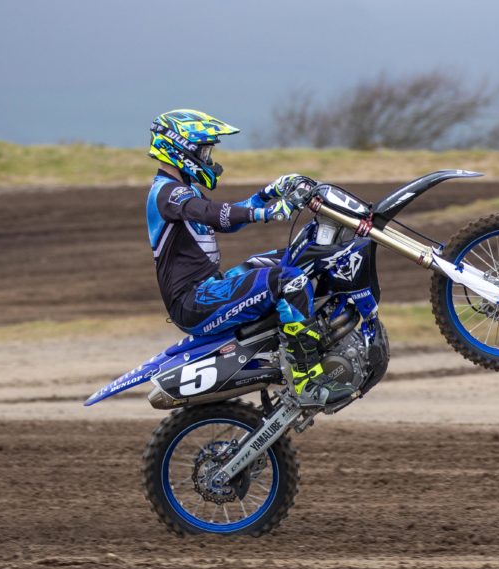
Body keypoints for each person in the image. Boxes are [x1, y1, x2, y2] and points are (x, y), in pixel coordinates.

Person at [146, 109, 352, 406]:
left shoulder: (183, 190)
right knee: (288, 281)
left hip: (208, 288)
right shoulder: (166, 194)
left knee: (297, 258)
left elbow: (228, 220)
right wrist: (268, 213)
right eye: (204, 150)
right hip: (194, 301)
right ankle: (306, 377)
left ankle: (320, 337)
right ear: (180, 148)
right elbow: (210, 213)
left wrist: (269, 193)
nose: (209, 159)